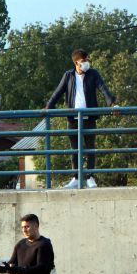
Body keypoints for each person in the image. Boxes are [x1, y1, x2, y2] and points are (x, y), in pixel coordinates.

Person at [45, 49, 116, 189]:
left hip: (89, 118)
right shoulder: (68, 76)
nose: (86, 63)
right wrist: (48, 107)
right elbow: (57, 92)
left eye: (87, 60)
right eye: (84, 61)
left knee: (90, 148)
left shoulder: (93, 74)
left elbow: (103, 88)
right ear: (76, 62)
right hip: (73, 119)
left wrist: (112, 103)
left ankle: (90, 177)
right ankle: (76, 178)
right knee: (75, 150)